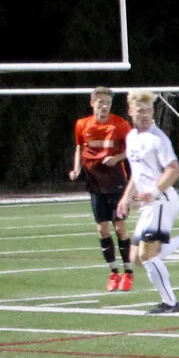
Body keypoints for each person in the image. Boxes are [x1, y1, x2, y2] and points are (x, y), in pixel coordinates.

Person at [113, 91, 179, 313]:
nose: (145, 115)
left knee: (147, 255)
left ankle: (170, 303)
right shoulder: (131, 137)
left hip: (162, 201)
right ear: (130, 111)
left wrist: (154, 192)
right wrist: (126, 198)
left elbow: (174, 170)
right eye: (140, 111)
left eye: (149, 110)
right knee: (135, 258)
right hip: (149, 205)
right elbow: (137, 174)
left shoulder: (158, 138)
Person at [70, 87, 134, 291]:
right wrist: (76, 168)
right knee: (102, 229)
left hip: (115, 181)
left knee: (120, 227)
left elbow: (132, 149)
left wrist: (116, 158)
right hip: (94, 182)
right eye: (101, 102)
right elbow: (80, 147)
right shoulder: (82, 124)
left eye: (108, 102)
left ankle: (128, 272)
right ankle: (113, 272)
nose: (104, 106)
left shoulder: (120, 124)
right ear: (92, 103)